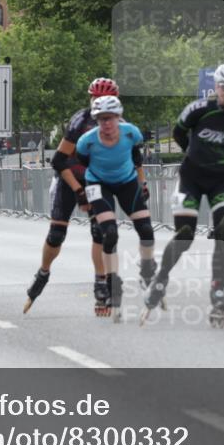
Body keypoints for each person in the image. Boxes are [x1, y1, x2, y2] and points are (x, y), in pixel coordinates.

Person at [143, 63, 224, 328]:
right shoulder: (198, 109)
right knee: (185, 234)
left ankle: (218, 289)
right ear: (216, 87)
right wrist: (193, 155)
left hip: (221, 180)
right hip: (191, 179)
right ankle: (161, 278)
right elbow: (178, 132)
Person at [23, 77, 120, 316]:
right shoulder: (81, 121)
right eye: (96, 100)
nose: (102, 105)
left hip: (97, 181)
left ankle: (101, 284)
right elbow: (58, 160)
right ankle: (43, 272)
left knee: (103, 233)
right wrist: (78, 191)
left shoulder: (121, 125)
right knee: (56, 235)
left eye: (108, 100)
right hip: (69, 179)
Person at [74, 95, 156, 323]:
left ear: (118, 118)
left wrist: (142, 182)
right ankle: (111, 284)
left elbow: (136, 157)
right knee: (109, 233)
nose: (106, 124)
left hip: (127, 182)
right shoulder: (87, 141)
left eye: (109, 119)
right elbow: (83, 161)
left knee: (146, 230)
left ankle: (147, 269)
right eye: (101, 119)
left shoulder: (131, 133)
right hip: (98, 183)